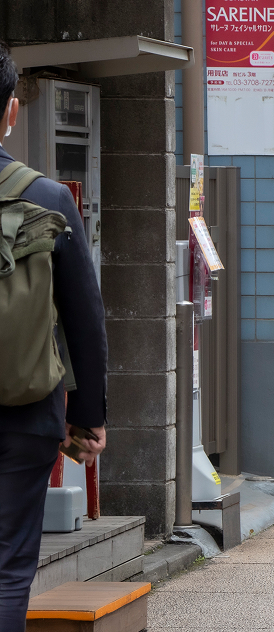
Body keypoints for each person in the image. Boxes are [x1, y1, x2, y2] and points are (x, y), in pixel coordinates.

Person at [0, 42, 108, 632]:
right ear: (12, 111)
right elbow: (84, 319)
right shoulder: (48, 198)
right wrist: (87, 417)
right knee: (9, 569)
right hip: (27, 415)